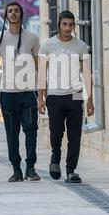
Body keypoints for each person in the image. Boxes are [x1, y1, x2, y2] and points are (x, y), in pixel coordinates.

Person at [38, 10, 94, 183]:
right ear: (59, 25)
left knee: (75, 135)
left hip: (75, 95)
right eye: (65, 24)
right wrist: (40, 97)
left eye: (71, 25)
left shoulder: (81, 46)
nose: (68, 28)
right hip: (54, 95)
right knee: (56, 133)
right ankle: (55, 157)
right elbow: (42, 72)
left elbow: (86, 73)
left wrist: (89, 99)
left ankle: (71, 170)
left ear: (74, 26)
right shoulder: (47, 45)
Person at [0, 2, 41, 182]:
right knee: (11, 133)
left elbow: (39, 66)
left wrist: (42, 93)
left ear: (21, 14)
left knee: (31, 130)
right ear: (6, 15)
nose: (13, 13)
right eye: (10, 11)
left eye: (16, 11)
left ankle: (31, 168)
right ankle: (16, 169)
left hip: (29, 92)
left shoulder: (32, 38)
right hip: (8, 93)